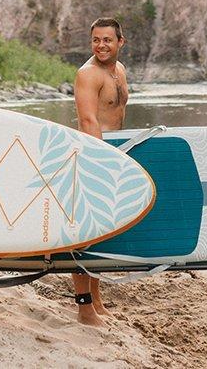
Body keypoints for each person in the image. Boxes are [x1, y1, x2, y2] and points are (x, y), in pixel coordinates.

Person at [72, 17, 129, 326]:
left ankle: (96, 300)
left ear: (120, 42)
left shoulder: (119, 71)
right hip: (93, 158)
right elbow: (88, 121)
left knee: (102, 234)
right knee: (86, 236)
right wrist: (101, 162)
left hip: (113, 155)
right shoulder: (88, 75)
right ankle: (84, 310)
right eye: (96, 40)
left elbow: (118, 116)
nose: (101, 45)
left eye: (107, 39)